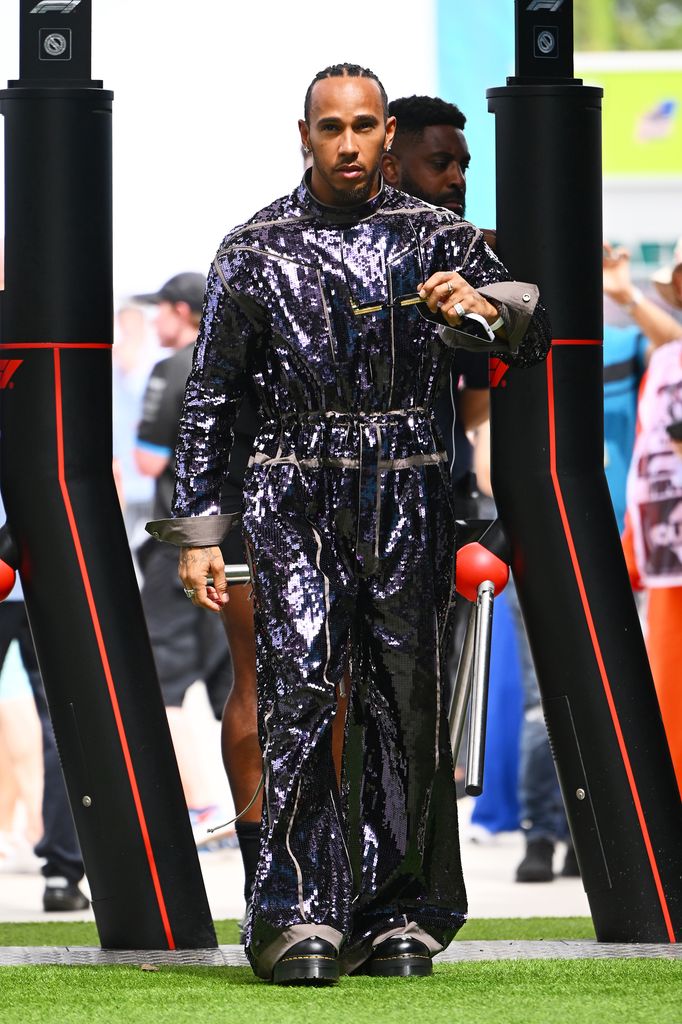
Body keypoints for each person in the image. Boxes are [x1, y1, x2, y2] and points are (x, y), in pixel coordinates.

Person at [148, 63, 550, 985]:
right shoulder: (255, 247)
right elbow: (210, 396)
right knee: (297, 694)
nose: (350, 143)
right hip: (292, 492)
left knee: (406, 700)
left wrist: (479, 309)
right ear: (305, 135)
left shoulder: (436, 238)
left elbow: (525, 325)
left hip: (407, 488)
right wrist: (203, 531)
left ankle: (400, 911)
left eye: (366, 126)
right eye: (333, 127)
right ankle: (296, 914)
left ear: (383, 135)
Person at [134, 273, 234, 839]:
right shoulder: (243, 361)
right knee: (235, 682)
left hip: (180, 545)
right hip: (241, 540)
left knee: (162, 680)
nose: (155, 324)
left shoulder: (170, 369)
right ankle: (250, 805)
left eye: (160, 313)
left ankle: (197, 805)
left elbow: (148, 463)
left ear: (180, 311)